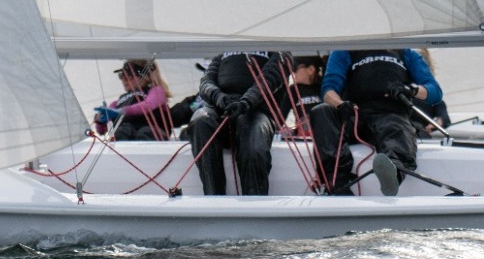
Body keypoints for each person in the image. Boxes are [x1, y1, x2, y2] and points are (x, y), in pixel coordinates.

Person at [308, 48, 442, 196]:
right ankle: (337, 183)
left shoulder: (407, 53)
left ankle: (393, 173)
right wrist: (340, 104)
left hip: (391, 115)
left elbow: (435, 92)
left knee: (394, 130)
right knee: (321, 111)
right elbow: (328, 90)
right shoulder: (344, 52)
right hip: (355, 115)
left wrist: (411, 90)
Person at [189, 50, 282, 195]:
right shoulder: (224, 49)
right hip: (222, 109)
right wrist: (218, 96)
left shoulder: (278, 48)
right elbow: (206, 82)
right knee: (200, 121)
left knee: (252, 141)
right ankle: (213, 198)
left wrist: (246, 102)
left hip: (256, 111)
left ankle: (254, 204)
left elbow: (270, 78)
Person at [94, 59, 174, 142]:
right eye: (122, 75)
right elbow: (102, 130)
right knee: (122, 132)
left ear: (145, 77)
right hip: (126, 133)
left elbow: (148, 105)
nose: (124, 79)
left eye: (130, 75)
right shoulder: (116, 103)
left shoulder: (156, 91)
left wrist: (121, 111)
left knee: (146, 132)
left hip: (152, 132)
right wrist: (100, 119)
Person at [272, 55, 324, 138]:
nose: (293, 72)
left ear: (311, 70)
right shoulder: (293, 90)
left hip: (322, 134)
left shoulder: (323, 87)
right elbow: (280, 118)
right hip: (303, 135)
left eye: (295, 68)